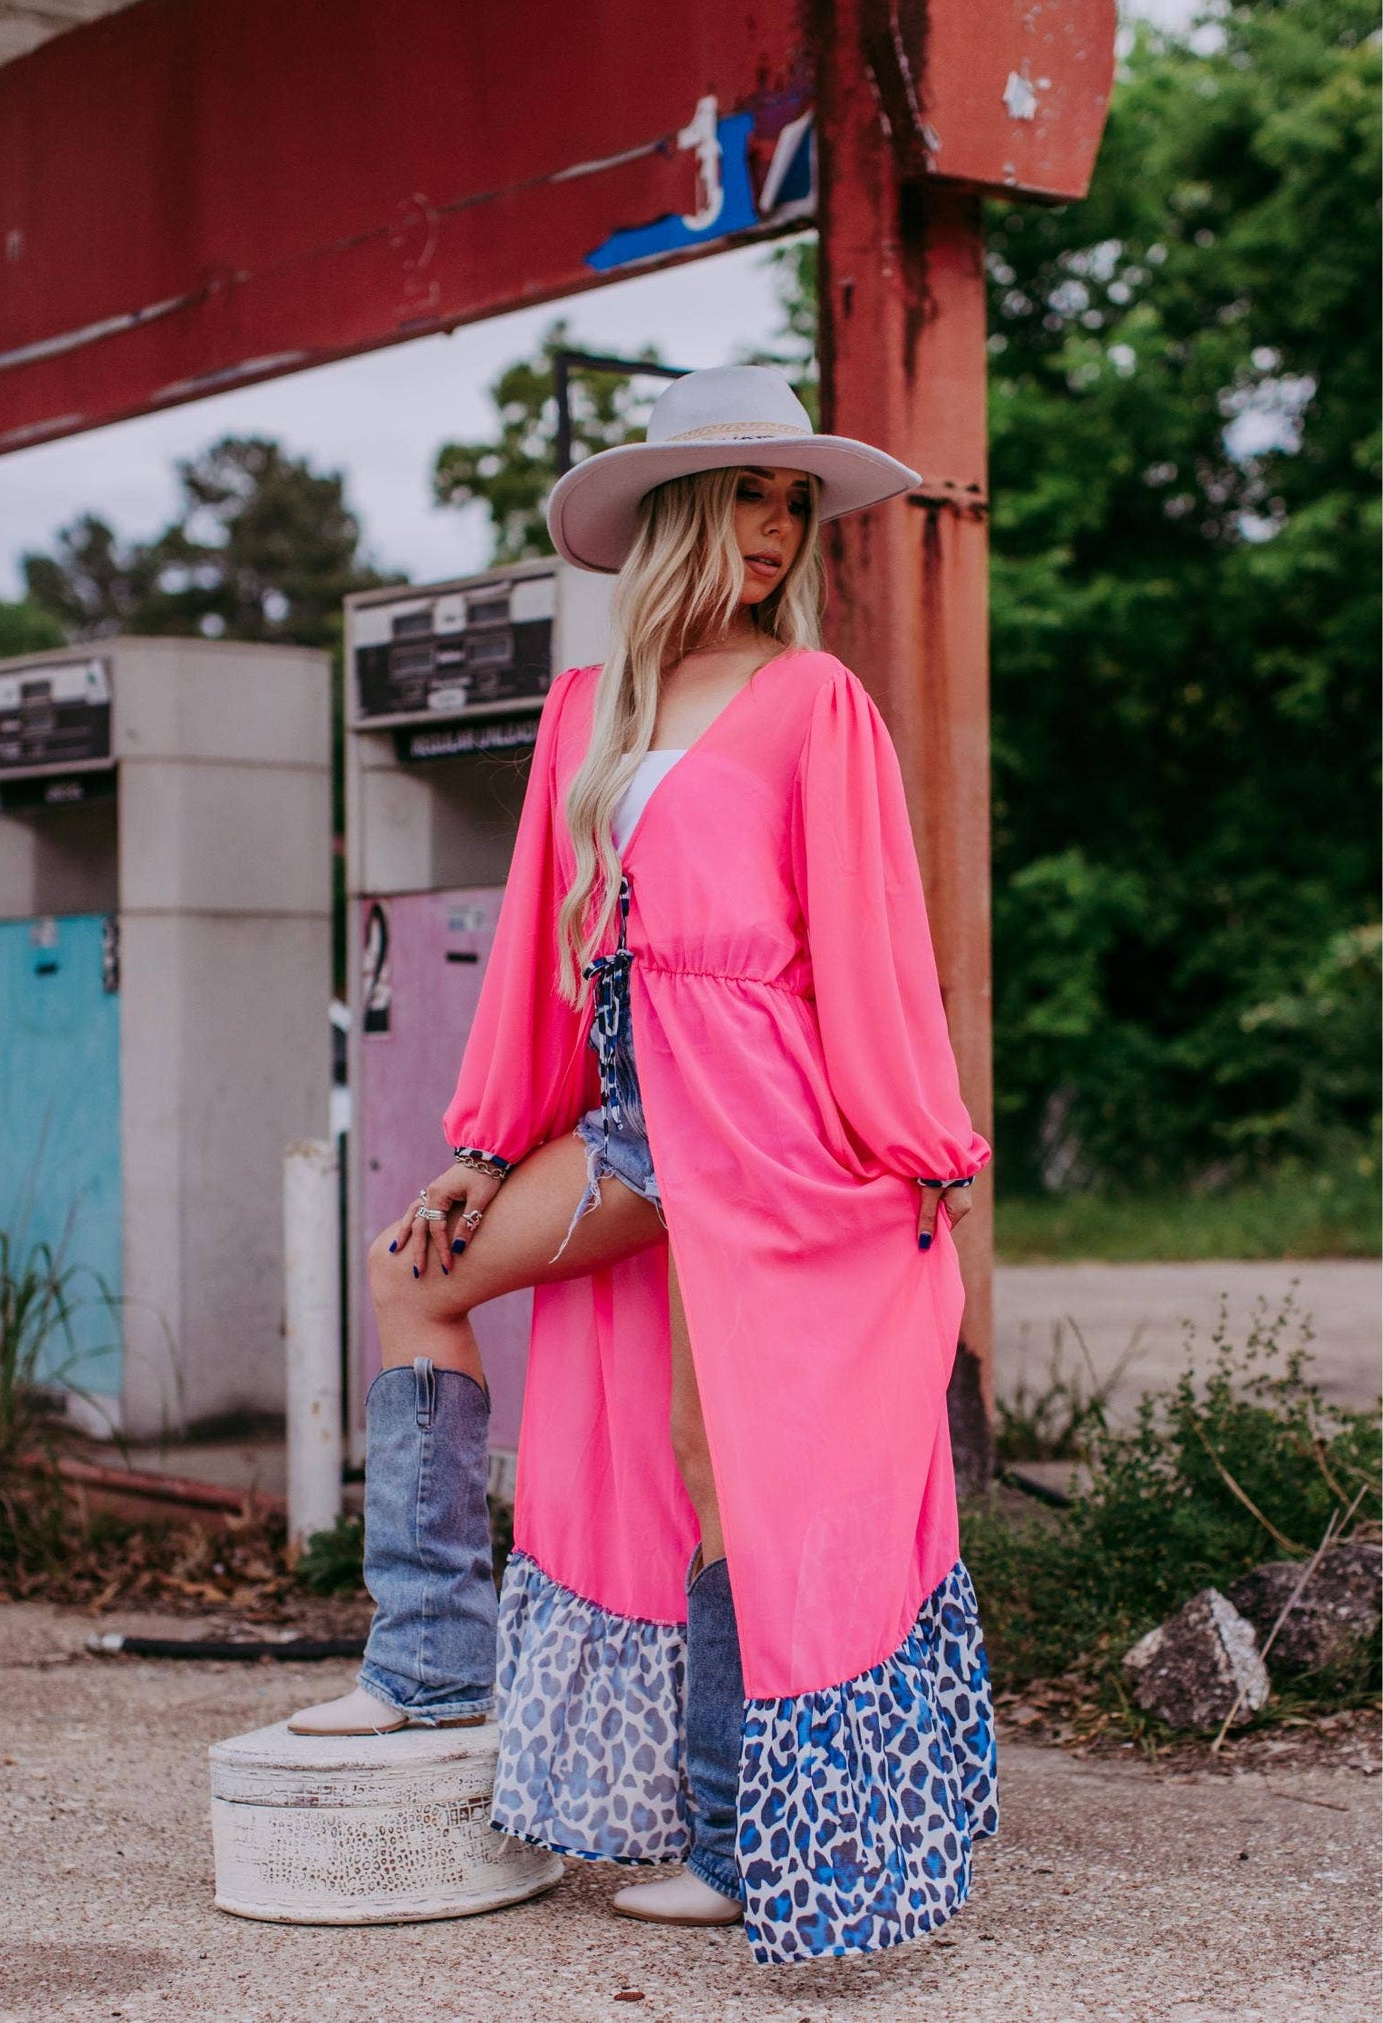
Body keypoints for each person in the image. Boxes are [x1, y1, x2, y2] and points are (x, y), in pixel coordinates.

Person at [288, 364, 998, 1965]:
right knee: (415, 1276)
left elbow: (872, 947)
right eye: (747, 494)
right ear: (680, 508)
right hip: (627, 1121)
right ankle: (428, 1660)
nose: (771, 529)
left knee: (719, 1441)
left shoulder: (815, 702)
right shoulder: (581, 713)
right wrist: (484, 1146)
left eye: (789, 502)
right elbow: (556, 958)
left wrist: (917, 1147)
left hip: (765, 1120)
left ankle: (738, 1831)